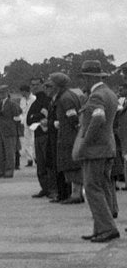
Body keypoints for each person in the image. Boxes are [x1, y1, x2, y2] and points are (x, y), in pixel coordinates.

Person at [73, 61, 119, 241]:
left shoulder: (96, 96)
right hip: (107, 147)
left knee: (92, 188)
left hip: (95, 150)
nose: (82, 82)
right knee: (103, 187)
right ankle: (101, 228)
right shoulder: (110, 93)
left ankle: (107, 228)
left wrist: (84, 143)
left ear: (88, 77)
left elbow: (98, 119)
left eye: (83, 78)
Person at [50, 72, 83, 204]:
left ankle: (76, 194)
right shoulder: (68, 95)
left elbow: (73, 117)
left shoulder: (65, 98)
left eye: (51, 83)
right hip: (68, 135)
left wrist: (74, 129)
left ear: (57, 84)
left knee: (72, 165)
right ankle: (76, 193)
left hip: (69, 137)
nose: (50, 86)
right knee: (70, 164)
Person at [25, 76, 53, 198]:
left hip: (47, 135)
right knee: (40, 163)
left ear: (42, 85)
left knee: (48, 163)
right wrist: (38, 115)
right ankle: (45, 188)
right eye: (32, 85)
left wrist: (36, 117)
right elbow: (28, 120)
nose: (35, 87)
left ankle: (52, 189)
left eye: (37, 84)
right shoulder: (35, 102)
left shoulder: (48, 100)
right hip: (37, 135)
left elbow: (47, 116)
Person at [0, 84, 22, 178]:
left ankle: (9, 171)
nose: (1, 94)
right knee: (1, 152)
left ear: (7, 93)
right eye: (0, 92)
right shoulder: (0, 103)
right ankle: (1, 170)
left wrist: (13, 127)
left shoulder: (12, 104)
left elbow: (18, 116)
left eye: (3, 92)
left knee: (9, 153)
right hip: (1, 130)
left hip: (10, 131)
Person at [18, 84, 35, 169]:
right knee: (27, 142)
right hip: (25, 123)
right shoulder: (22, 100)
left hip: (33, 122)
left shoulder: (34, 99)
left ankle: (36, 158)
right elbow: (22, 111)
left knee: (33, 141)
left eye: (22, 92)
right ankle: (29, 159)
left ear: (25, 91)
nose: (21, 93)